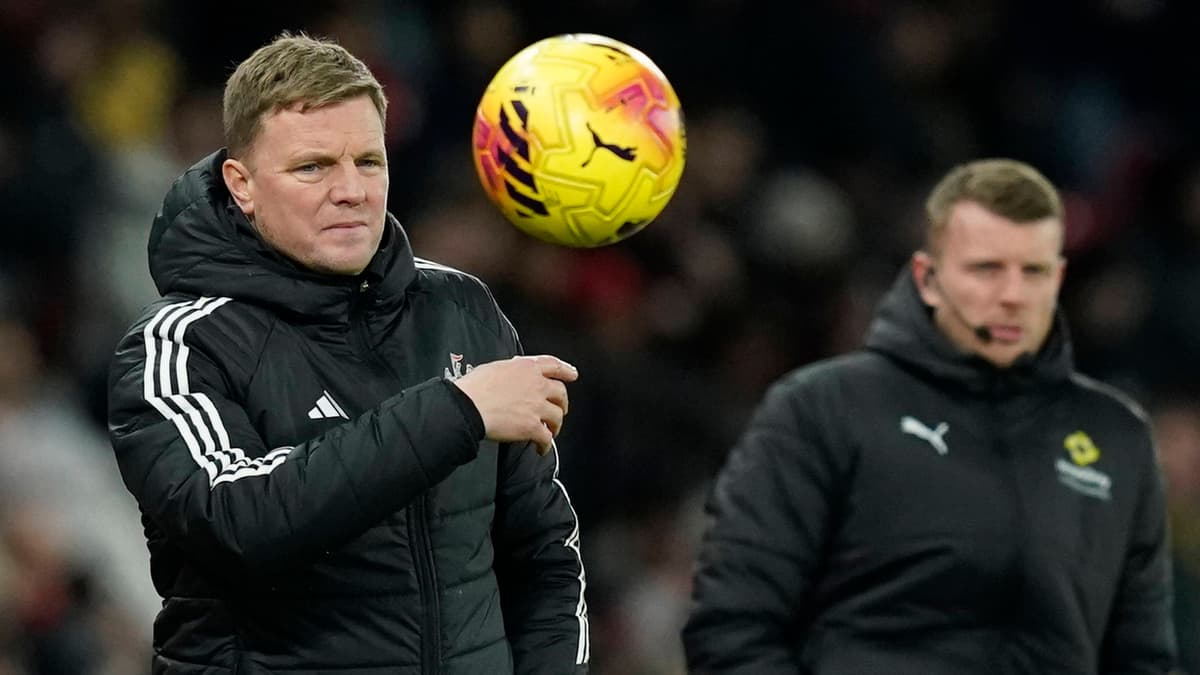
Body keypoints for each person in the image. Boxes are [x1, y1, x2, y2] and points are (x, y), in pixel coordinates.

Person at [106, 33, 588, 674]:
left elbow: (544, 553)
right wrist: (457, 411)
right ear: (241, 185)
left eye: (368, 161)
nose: (352, 190)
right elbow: (237, 521)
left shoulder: (462, 310)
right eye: (313, 167)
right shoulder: (180, 344)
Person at [682, 159, 1176, 673]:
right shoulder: (822, 409)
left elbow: (1142, 660)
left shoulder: (1117, 438)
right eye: (985, 269)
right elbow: (733, 627)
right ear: (928, 278)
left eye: (1033, 272)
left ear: (1059, 279)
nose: (1012, 296)